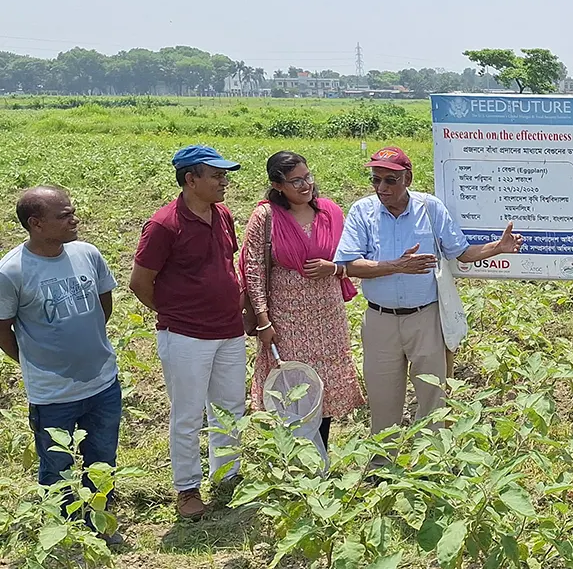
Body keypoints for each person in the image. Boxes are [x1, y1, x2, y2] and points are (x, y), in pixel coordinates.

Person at [335, 147, 523, 437]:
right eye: (376, 180)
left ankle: (433, 466)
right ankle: (383, 468)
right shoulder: (362, 211)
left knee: (434, 396)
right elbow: (350, 265)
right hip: (380, 321)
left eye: (390, 181)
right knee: (383, 399)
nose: (381, 188)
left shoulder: (429, 208)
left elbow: (460, 253)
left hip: (426, 318)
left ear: (407, 179)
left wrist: (497, 247)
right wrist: (396, 266)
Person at [0, 187, 123, 545]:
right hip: (53, 393)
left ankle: (100, 518)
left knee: (102, 458)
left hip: (102, 381)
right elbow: (3, 329)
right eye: (64, 215)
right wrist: (33, 363)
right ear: (36, 224)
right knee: (56, 466)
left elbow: (104, 304)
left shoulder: (87, 254)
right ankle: (64, 532)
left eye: (72, 212)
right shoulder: (12, 272)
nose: (74, 219)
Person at [130, 145, 247, 521]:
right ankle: (187, 489)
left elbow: (228, 264)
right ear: (190, 179)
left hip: (228, 331)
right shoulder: (164, 224)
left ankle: (227, 477)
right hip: (186, 335)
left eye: (224, 175)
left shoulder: (223, 214)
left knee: (229, 408)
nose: (224, 181)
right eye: (216, 175)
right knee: (188, 414)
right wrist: (178, 313)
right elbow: (140, 282)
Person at [240, 151, 364, 452]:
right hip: (287, 319)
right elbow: (253, 269)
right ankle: (298, 462)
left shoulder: (330, 212)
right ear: (277, 185)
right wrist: (263, 319)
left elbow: (351, 259)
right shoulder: (266, 216)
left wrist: (332, 268)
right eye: (295, 181)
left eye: (307, 177)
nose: (305, 185)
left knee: (323, 387)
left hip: (328, 318)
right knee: (294, 388)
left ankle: (318, 457)